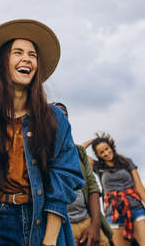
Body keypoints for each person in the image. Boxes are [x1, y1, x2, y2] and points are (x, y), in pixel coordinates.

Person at [0, 19, 85, 246]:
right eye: (17, 52)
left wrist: (49, 241)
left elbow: (65, 176)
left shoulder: (54, 118)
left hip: (42, 221)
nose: (26, 58)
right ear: (1, 62)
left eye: (32, 55)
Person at [52, 102, 113, 246]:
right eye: (54, 116)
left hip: (87, 222)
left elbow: (92, 187)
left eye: (64, 115)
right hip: (62, 227)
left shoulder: (78, 152)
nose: (60, 119)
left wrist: (95, 226)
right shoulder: (41, 155)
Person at [82, 133, 145, 246]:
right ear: (98, 155)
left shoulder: (127, 162)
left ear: (111, 146)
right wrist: (94, 140)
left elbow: (139, 186)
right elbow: (79, 151)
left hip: (136, 209)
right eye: (101, 152)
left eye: (107, 149)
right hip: (114, 214)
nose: (106, 153)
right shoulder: (98, 167)